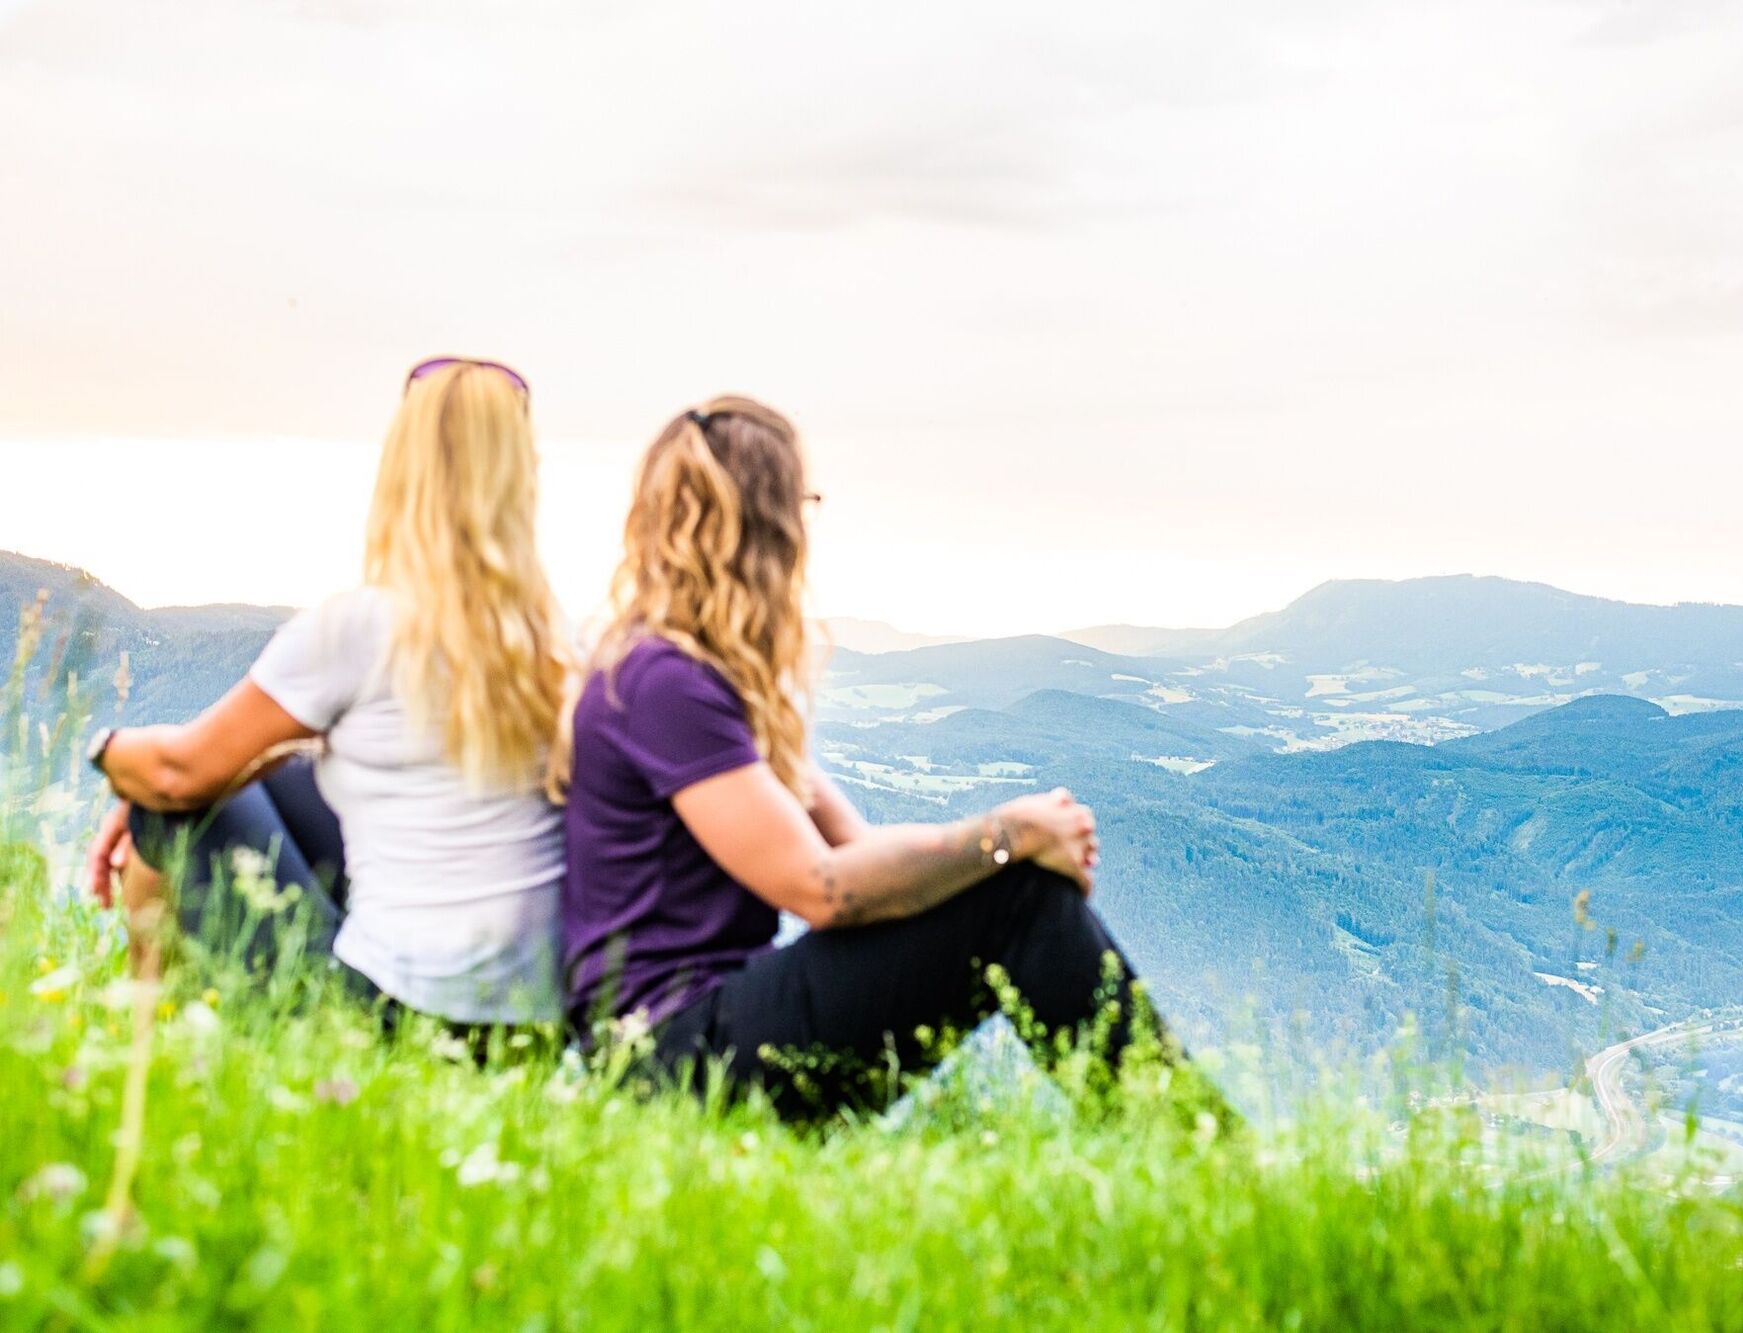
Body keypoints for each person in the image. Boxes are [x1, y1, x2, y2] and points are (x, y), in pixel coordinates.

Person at [559, 396, 1168, 1116]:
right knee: (1018, 900)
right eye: (802, 504)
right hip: (665, 1058)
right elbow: (821, 889)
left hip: (700, 1034)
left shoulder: (698, 680)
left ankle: (1181, 1135)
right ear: (768, 524)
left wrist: (1009, 844)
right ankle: (1190, 1142)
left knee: (1007, 885)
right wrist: (1010, 835)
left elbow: (857, 848)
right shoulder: (661, 683)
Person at [85, 357, 571, 1029]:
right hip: (529, 1024)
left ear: (401, 473)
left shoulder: (361, 626)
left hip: (393, 1016)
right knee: (264, 778)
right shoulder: (558, 644)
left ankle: (144, 1042)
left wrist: (110, 752)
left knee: (169, 804)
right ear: (524, 478)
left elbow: (175, 772)